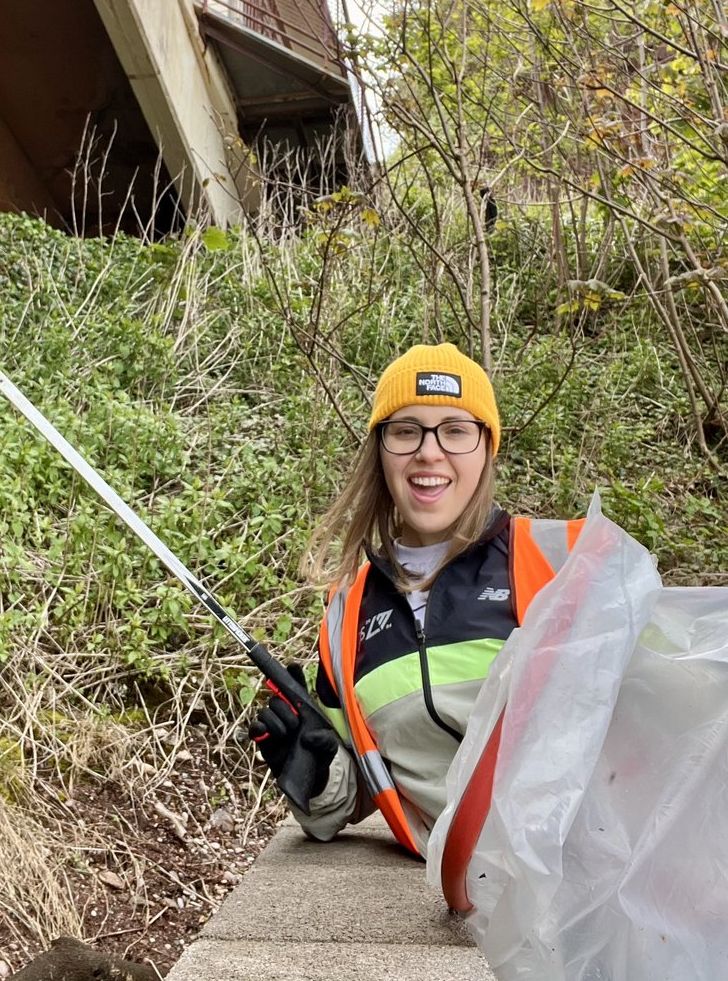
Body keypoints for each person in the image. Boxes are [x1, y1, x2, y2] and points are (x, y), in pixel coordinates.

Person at [249, 343, 581, 858]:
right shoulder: (346, 613)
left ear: (487, 447)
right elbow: (357, 792)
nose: (429, 452)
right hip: (456, 897)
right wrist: (313, 772)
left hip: (583, 879)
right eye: (406, 431)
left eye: (455, 430)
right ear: (380, 451)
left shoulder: (563, 562)